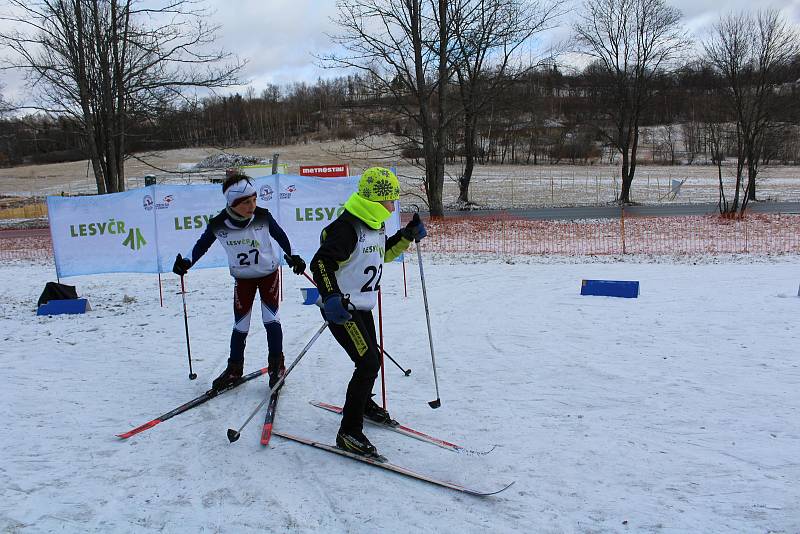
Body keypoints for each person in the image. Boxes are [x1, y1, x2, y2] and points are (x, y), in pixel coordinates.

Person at [310, 167, 427, 459]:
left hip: (361, 306)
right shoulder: (348, 227)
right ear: (376, 201)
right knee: (368, 362)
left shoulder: (374, 224)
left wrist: (405, 235)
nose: (392, 207)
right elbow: (321, 263)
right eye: (390, 201)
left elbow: (381, 254)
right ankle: (349, 432)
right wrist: (331, 297)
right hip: (342, 310)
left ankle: (363, 404)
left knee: (370, 359)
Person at [172, 172, 306, 391]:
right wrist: (186, 262)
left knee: (270, 319)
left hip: (268, 274)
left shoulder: (263, 216)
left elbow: (281, 237)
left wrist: (295, 257)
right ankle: (234, 369)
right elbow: (201, 245)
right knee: (241, 324)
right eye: (246, 202)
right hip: (243, 278)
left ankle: (276, 367)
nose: (252, 205)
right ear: (232, 204)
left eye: (254, 199)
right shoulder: (219, 223)